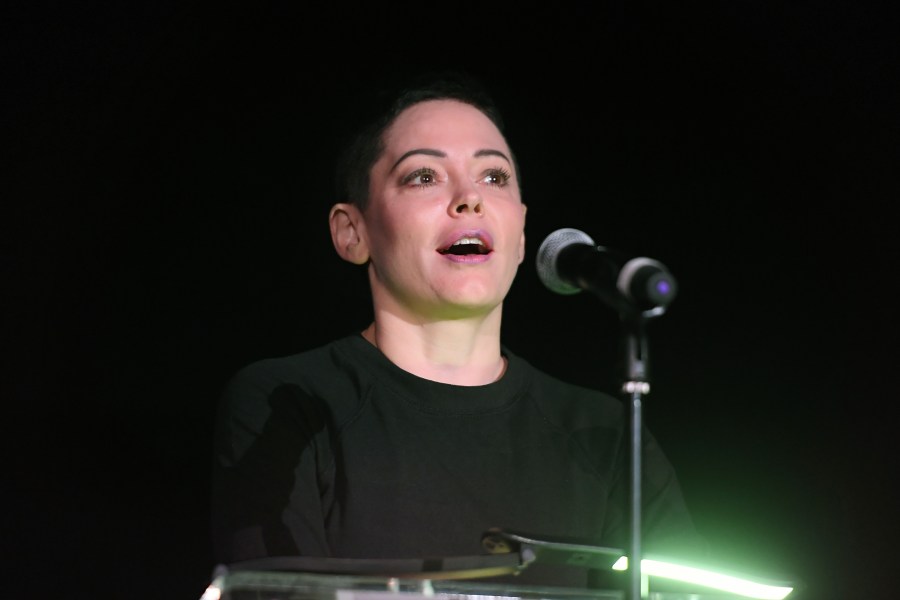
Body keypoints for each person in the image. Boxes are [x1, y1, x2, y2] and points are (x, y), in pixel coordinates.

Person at [210, 71, 707, 589]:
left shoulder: (603, 432)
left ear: (520, 235)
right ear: (352, 231)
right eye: (424, 176)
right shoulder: (288, 405)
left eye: (494, 178)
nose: (470, 199)